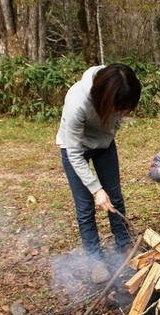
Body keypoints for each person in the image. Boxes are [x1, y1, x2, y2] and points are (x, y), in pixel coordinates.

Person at [56, 63, 142, 283]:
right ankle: (94, 259)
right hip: (75, 149)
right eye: (119, 107)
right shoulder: (77, 102)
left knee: (115, 197)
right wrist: (96, 189)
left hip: (104, 146)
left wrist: (111, 130)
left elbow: (120, 117)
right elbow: (74, 152)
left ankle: (123, 243)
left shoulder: (118, 84)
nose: (122, 112)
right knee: (85, 207)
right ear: (104, 99)